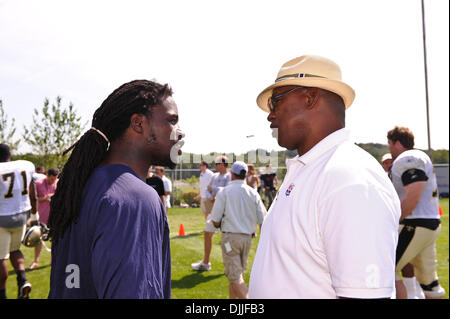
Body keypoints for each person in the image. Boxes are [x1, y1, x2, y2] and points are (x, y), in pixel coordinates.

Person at [249, 55, 401, 299]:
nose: (270, 115)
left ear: (309, 98)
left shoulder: (349, 178)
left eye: (275, 102)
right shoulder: (314, 168)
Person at [47, 79, 184, 298]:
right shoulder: (136, 198)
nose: (180, 132)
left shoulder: (78, 187)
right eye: (172, 121)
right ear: (138, 123)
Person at [387, 126, 445, 299]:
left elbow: (413, 195)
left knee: (386, 268)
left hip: (415, 223)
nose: (389, 147)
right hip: (428, 224)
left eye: (389, 143)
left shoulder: (409, 158)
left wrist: (392, 220)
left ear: (397, 143)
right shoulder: (417, 157)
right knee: (429, 282)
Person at [211, 161, 266, 299]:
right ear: (245, 174)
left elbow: (215, 219)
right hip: (247, 239)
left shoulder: (224, 192)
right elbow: (262, 219)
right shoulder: (253, 193)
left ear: (232, 174)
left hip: (230, 238)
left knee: (235, 278)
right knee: (236, 275)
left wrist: (219, 223)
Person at [0, 143, 38, 299]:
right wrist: (35, 217)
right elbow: (32, 193)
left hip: (2, 218)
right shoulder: (25, 165)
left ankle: (2, 293)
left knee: (1, 257)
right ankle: (23, 280)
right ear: (10, 155)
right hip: (22, 216)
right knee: (15, 250)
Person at [191, 155, 231, 271]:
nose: (215, 166)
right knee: (207, 233)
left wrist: (213, 190)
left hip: (225, 212)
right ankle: (206, 262)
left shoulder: (229, 177)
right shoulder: (214, 176)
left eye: (217, 164)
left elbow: (227, 191)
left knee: (226, 239)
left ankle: (230, 262)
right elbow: (207, 191)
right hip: (214, 211)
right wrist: (211, 195)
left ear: (223, 164)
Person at [28, 168, 59, 270]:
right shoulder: (38, 183)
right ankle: (35, 261)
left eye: (54, 179)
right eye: (51, 179)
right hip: (41, 216)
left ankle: (53, 261)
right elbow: (33, 199)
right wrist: (46, 197)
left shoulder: (58, 183)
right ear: (47, 175)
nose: (53, 181)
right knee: (38, 239)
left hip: (54, 216)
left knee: (54, 239)